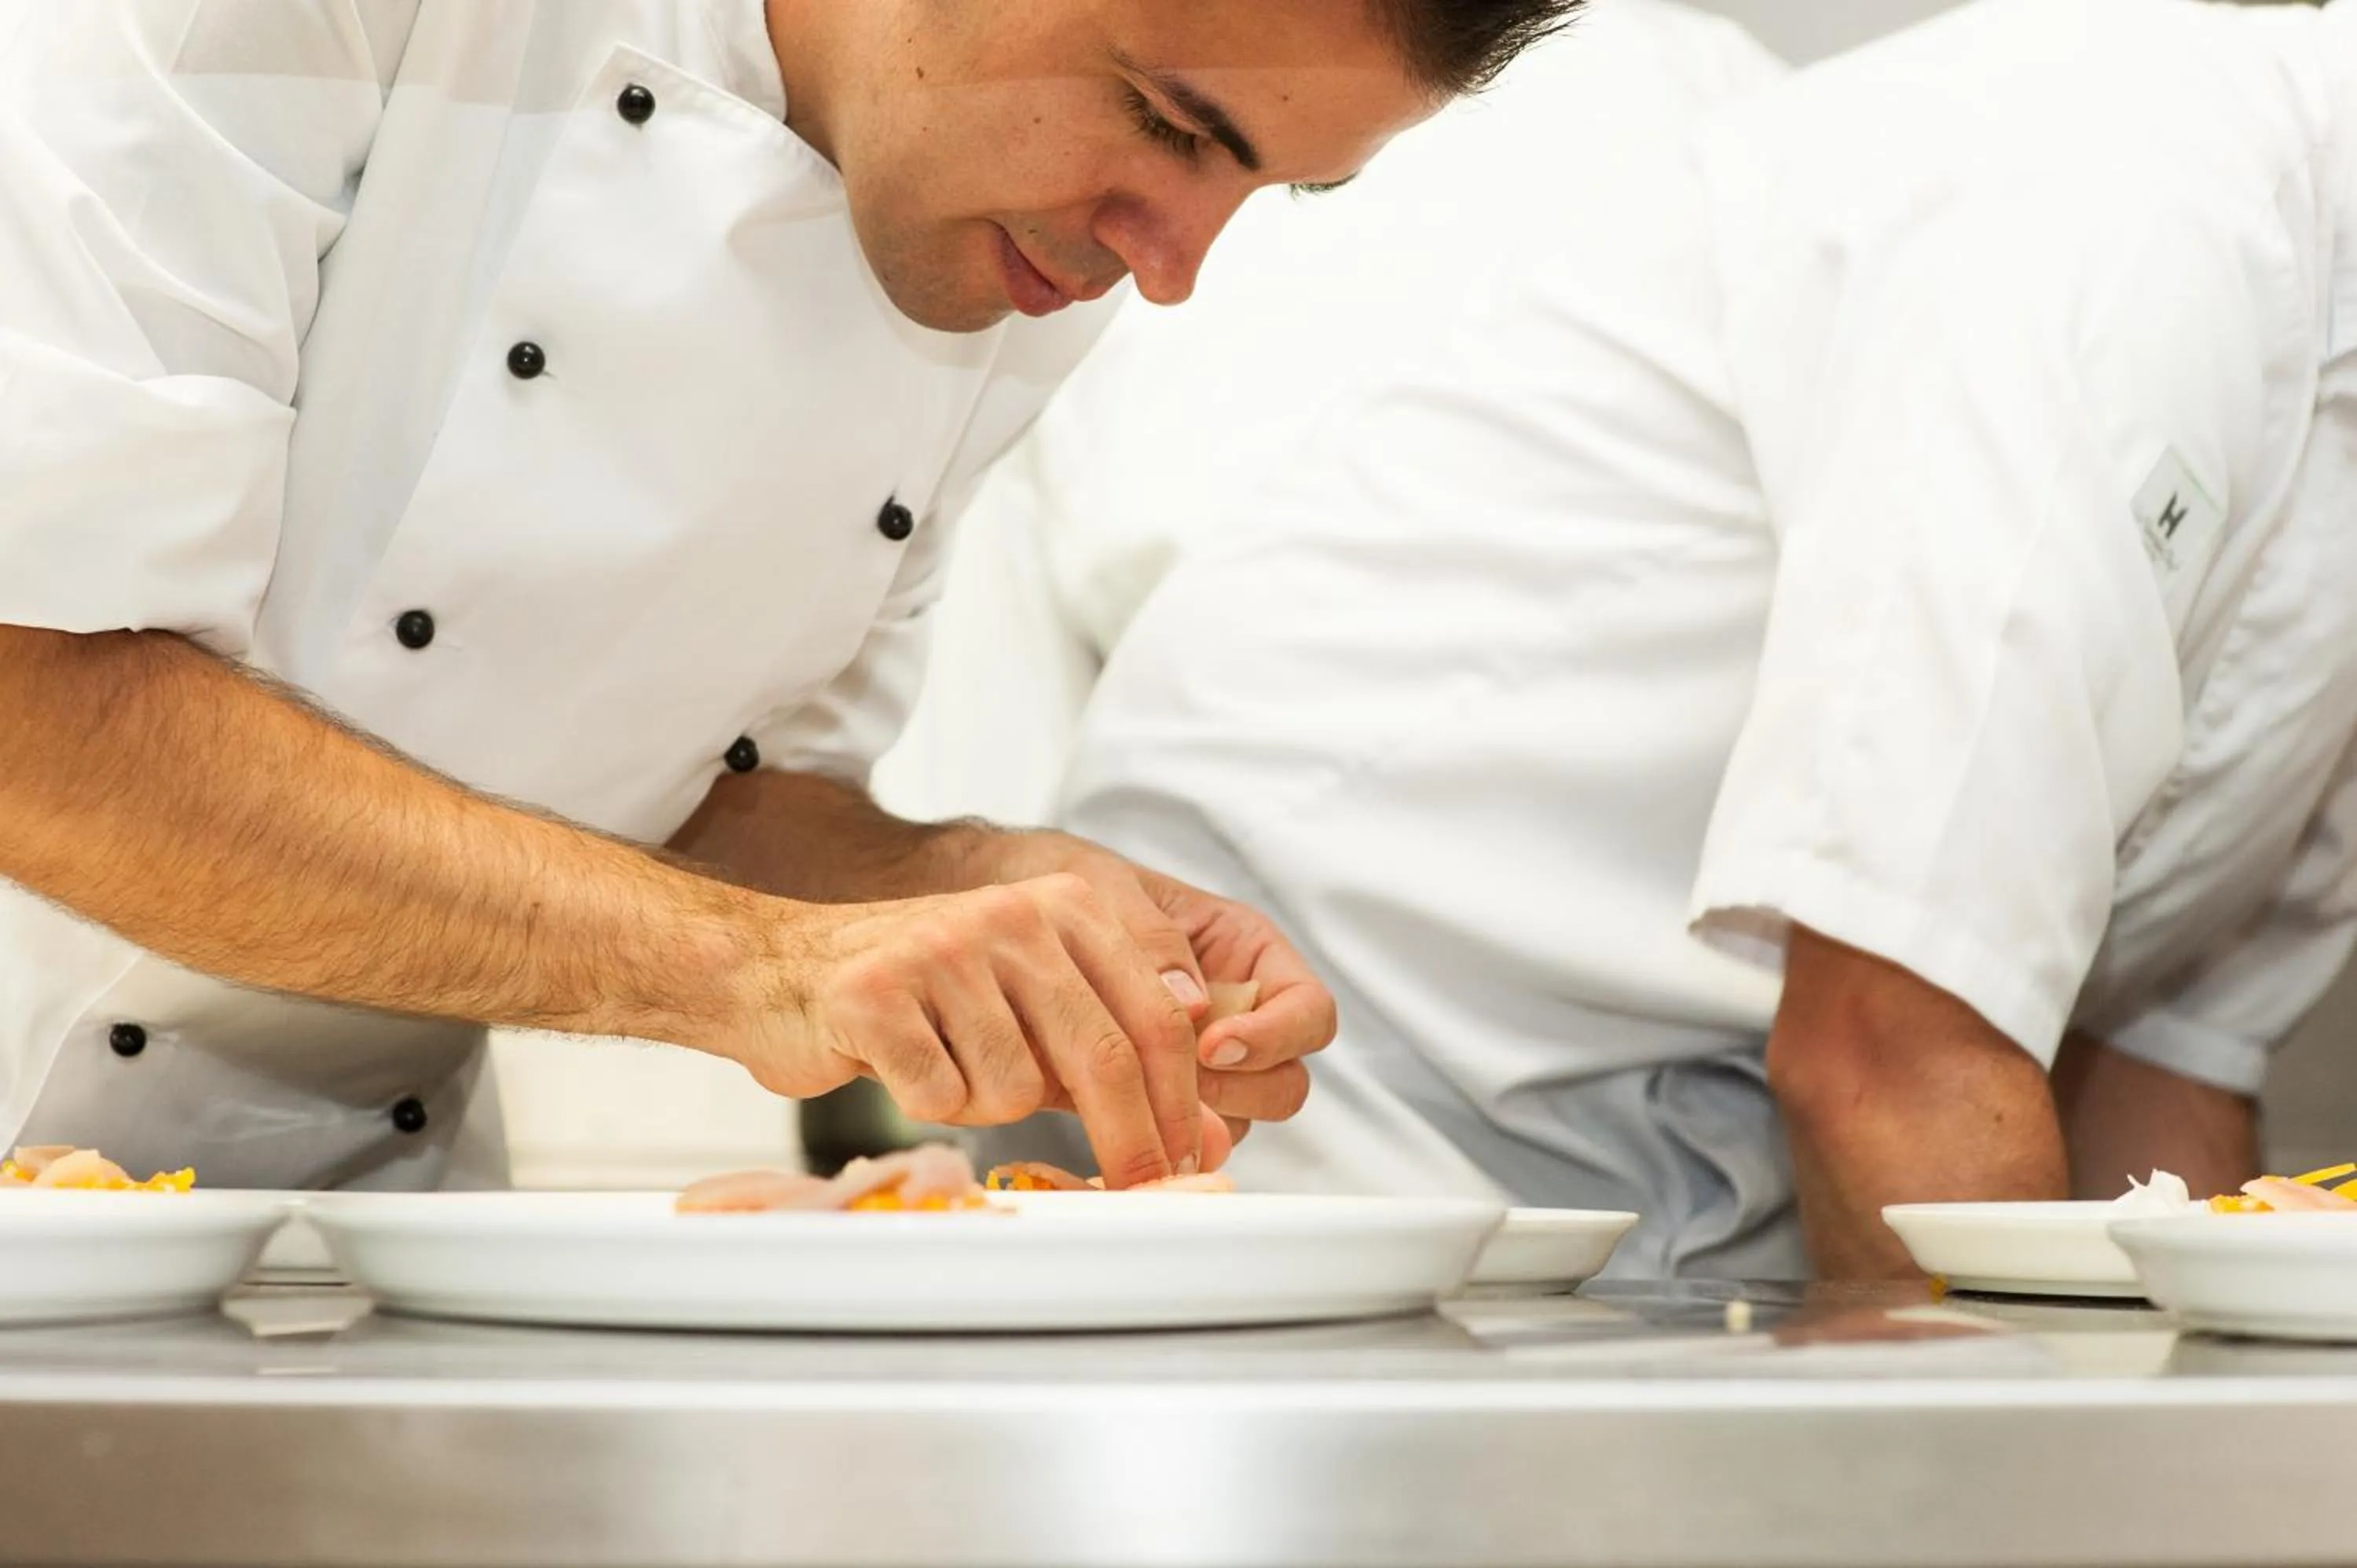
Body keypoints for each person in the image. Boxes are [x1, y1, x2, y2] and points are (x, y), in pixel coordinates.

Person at [878, 0, 2357, 1277]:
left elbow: (2163, 1088)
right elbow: (1885, 1051)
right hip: (1346, 1062)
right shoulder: (2125, 195)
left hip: (1725, 1160)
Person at [0, 0, 1579, 1194]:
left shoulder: (1007, 259)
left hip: (339, 1237)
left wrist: (976, 894)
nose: (1167, 267)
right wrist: (747, 971)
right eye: (1170, 127)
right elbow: (37, 711)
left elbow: (702, 796)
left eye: (1271, 190)